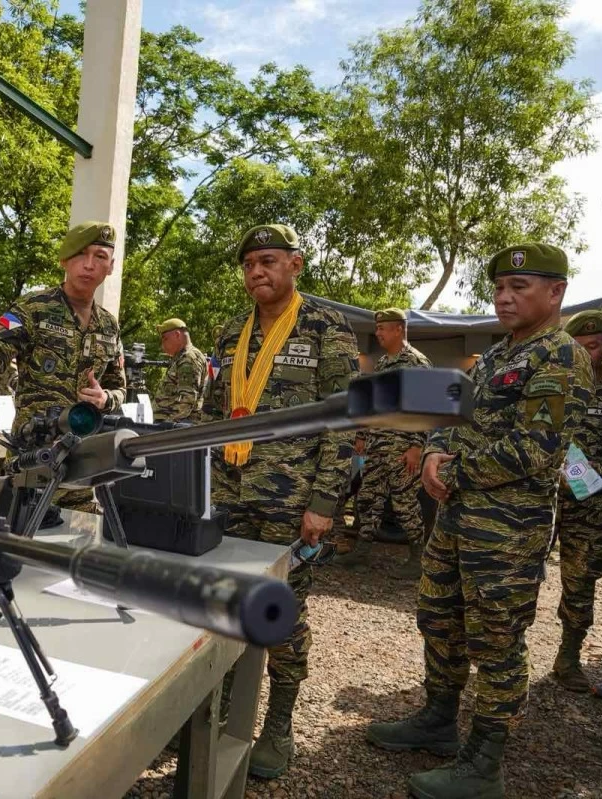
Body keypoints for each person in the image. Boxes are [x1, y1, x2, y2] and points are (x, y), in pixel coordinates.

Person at [367, 243, 590, 799]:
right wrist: (438, 451)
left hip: (509, 531)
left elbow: (536, 451)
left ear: (556, 292)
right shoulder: (495, 355)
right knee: (439, 619)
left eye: (520, 287)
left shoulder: (559, 356)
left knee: (496, 640)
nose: (504, 297)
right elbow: (451, 412)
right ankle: (438, 721)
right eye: (499, 288)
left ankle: (484, 766)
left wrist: (453, 469)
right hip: (457, 518)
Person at [202, 223, 360, 779]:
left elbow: (345, 423)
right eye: (248, 264)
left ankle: (279, 726)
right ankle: (215, 715)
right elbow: (211, 419)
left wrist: (324, 502)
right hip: (228, 495)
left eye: (268, 261)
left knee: (281, 612)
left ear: (295, 264)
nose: (256, 273)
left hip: (290, 503)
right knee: (223, 603)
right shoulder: (229, 335)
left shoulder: (327, 331)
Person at [0, 221, 126, 434]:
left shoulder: (109, 326)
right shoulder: (31, 307)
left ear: (111, 265)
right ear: (64, 260)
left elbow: (119, 387)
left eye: (100, 256)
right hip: (33, 450)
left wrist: (106, 399)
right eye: (80, 254)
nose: (89, 264)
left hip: (87, 451)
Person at [337, 308, 433, 576]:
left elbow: (425, 406)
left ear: (399, 329)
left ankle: (417, 559)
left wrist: (416, 446)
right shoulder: (381, 363)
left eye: (382, 328)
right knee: (368, 498)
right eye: (377, 328)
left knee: (405, 503)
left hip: (403, 448)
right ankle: (361, 553)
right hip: (378, 446)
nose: (377, 333)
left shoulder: (416, 362)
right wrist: (363, 435)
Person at [549, 310, 602, 692]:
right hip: (539, 498)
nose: (586, 354)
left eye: (593, 346)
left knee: (582, 578)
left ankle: (568, 657)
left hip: (591, 504)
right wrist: (573, 472)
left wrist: (591, 478)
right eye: (578, 347)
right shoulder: (554, 384)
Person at [153, 318, 207, 423]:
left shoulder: (188, 359)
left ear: (177, 335)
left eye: (165, 339)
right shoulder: (182, 357)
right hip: (177, 426)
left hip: (180, 428)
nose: (162, 345)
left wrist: (168, 424)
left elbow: (187, 400)